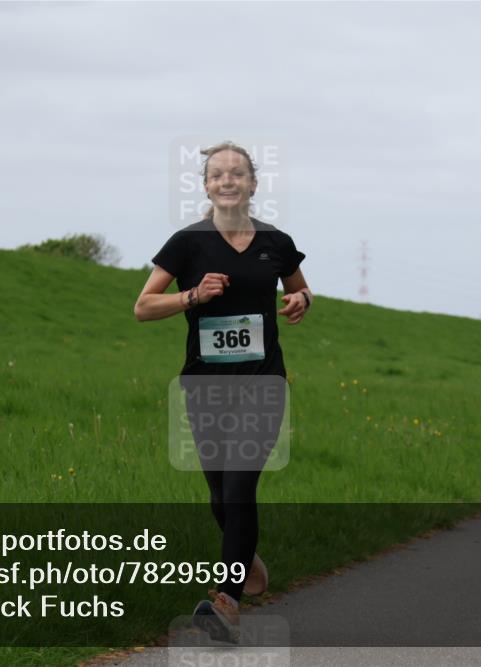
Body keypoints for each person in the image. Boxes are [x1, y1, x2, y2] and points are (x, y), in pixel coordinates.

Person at [134, 141, 310, 642]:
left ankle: (226, 603)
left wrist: (300, 300)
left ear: (253, 184)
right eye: (217, 174)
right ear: (206, 185)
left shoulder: (275, 241)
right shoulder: (187, 243)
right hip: (205, 385)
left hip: (263, 382)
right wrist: (192, 296)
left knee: (239, 487)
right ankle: (245, 559)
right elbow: (143, 307)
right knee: (219, 496)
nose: (227, 181)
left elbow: (302, 290)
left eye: (237, 173)